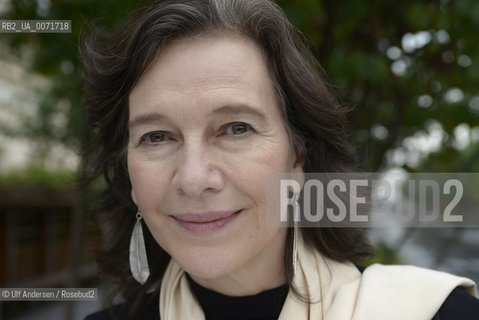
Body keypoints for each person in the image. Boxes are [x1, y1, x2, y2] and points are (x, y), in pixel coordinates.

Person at [81, 0, 479, 319]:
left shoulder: (438, 313)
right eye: (156, 136)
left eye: (236, 128)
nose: (193, 177)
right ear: (128, 172)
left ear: (299, 156)